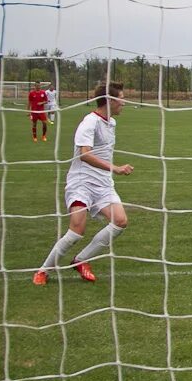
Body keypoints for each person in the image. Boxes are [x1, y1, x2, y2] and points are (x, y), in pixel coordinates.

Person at [33, 82, 134, 285]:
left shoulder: (111, 123)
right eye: (121, 98)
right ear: (110, 101)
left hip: (103, 184)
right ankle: (43, 270)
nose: (123, 102)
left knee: (120, 221)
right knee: (77, 230)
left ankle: (81, 261)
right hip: (82, 183)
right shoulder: (90, 122)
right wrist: (115, 168)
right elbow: (85, 155)